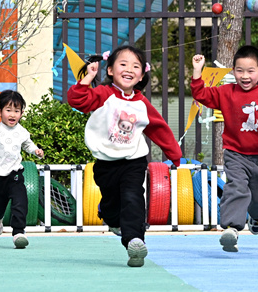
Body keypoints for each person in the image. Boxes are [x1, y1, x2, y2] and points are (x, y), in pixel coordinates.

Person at [68, 45, 182, 267]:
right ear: (110, 70)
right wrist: (88, 77)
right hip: (106, 162)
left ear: (141, 75)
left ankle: (134, 241)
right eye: (123, 64)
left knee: (133, 197)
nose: (129, 69)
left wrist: (174, 154)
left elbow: (158, 128)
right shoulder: (103, 94)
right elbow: (77, 100)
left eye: (136, 66)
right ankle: (109, 216)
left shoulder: (141, 103)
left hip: (133, 160)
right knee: (111, 207)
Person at [191, 46, 258, 253]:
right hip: (235, 153)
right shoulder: (226, 92)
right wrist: (197, 71)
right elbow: (201, 94)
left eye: (250, 71)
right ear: (233, 71)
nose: (245, 76)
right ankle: (231, 229)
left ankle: (257, 217)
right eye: (239, 70)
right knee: (236, 187)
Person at [0, 90, 44, 249]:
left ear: (21, 113)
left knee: (20, 201)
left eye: (16, 111)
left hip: (14, 174)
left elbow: (28, 145)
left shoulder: (22, 132)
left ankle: (19, 232)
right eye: (8, 110)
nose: (12, 114)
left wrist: (36, 151)